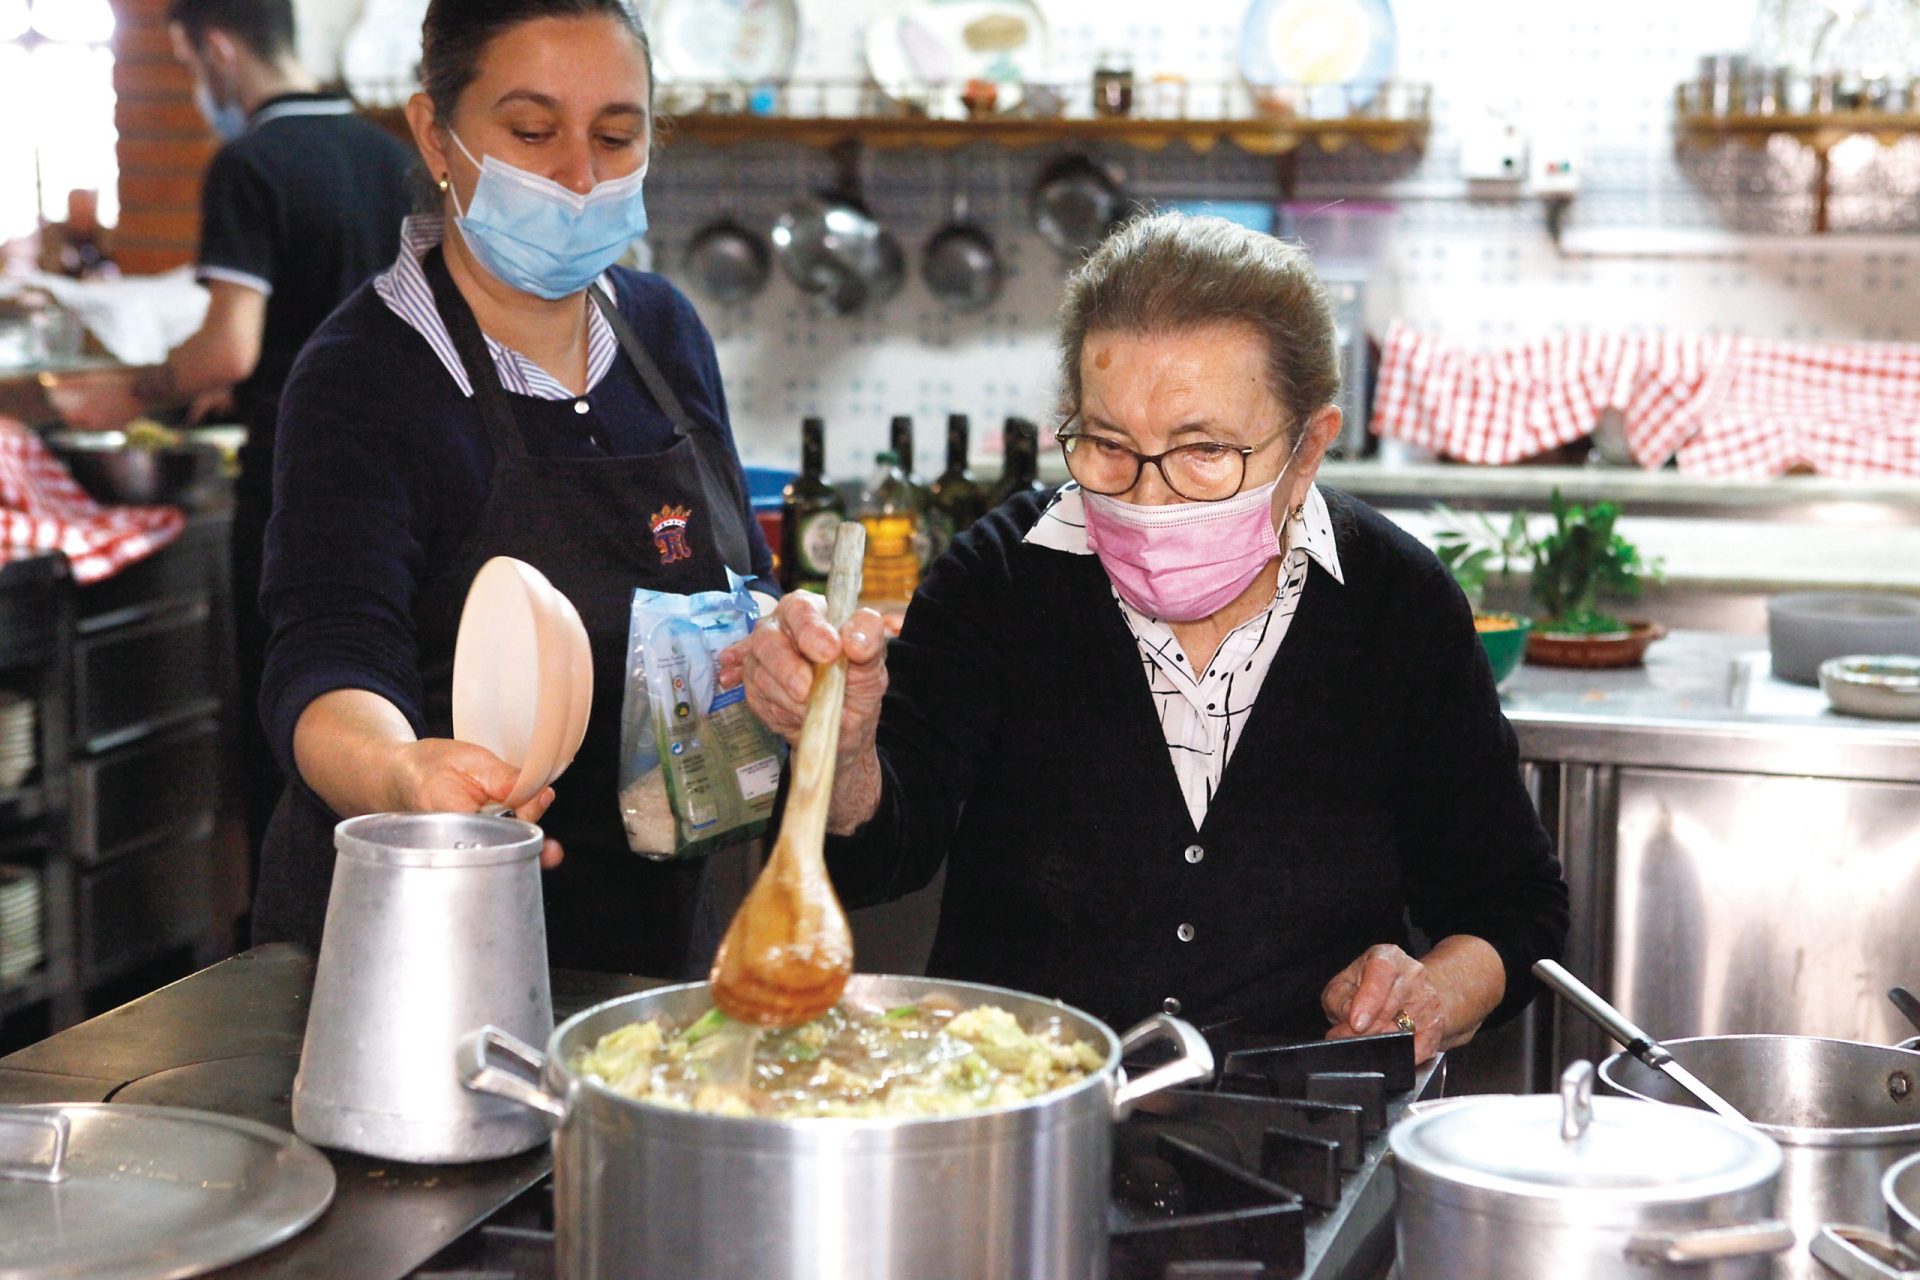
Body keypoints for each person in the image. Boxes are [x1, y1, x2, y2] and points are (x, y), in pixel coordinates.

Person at [728, 213, 1568, 1063]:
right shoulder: (1002, 580)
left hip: (1302, 1128)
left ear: (1308, 445)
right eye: (1107, 445)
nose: (1147, 499)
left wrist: (1428, 992)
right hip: (1028, 1122)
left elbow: (1511, 907)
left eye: (1203, 451)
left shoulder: (1398, 606)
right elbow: (878, 861)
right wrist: (843, 741)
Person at [254, 0, 775, 976]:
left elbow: (741, 586)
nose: (580, 177)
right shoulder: (365, 373)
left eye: (617, 135)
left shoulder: (665, 333)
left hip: (649, 947)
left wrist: (791, 654)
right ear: (435, 134)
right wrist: (405, 773)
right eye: (532, 132)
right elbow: (322, 665)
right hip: (419, 952)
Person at [62, 0, 417, 889]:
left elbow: (229, 349)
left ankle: (286, 953)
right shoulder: (388, 154)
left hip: (296, 484)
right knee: (385, 716)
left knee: (292, 721)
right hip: (405, 482)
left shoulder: (250, 164)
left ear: (217, 48)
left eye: (186, 66)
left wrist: (137, 387)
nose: (195, 90)